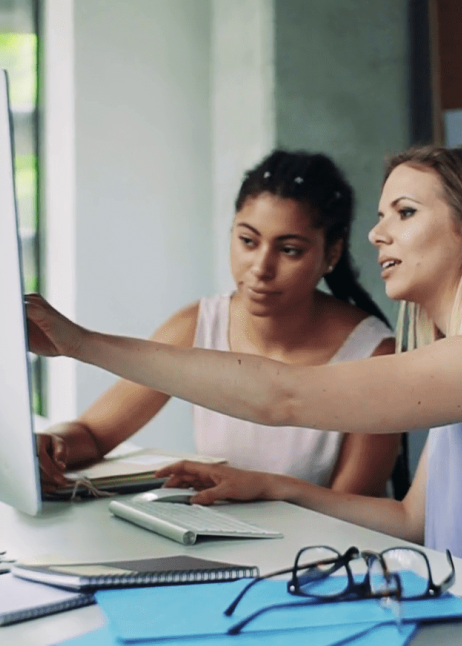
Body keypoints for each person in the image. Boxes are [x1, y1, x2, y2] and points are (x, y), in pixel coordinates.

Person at [26, 144, 462, 622]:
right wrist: (269, 485)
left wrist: (79, 343)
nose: (376, 233)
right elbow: (410, 521)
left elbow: (284, 396)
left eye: (403, 212)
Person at [36, 150, 401, 498]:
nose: (261, 268)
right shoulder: (198, 326)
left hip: (319, 557)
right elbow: (94, 434)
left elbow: (352, 512)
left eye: (289, 249)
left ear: (331, 254)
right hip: (219, 545)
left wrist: (259, 488)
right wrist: (51, 445)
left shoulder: (373, 355)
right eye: (247, 241)